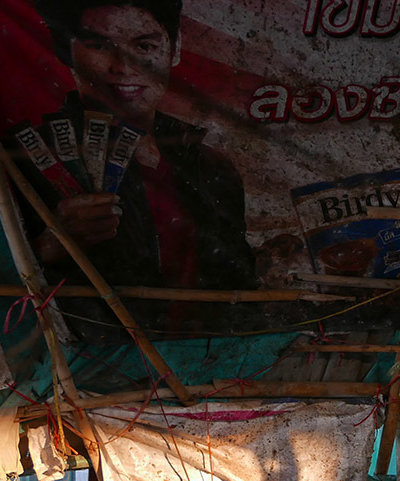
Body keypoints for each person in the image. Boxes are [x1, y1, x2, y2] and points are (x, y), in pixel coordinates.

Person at [26, 0, 255, 340]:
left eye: (145, 46)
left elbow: (239, 281)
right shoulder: (31, 160)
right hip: (104, 374)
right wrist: (46, 247)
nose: (124, 66)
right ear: (65, 51)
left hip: (211, 365)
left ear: (173, 52)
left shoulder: (209, 166)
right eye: (99, 46)